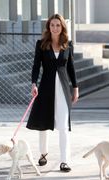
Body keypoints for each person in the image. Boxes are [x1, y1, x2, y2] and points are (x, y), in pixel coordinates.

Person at [26, 14, 79, 172]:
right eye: (52, 25)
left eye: (58, 25)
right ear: (48, 27)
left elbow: (71, 68)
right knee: (44, 123)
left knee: (63, 126)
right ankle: (43, 154)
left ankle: (64, 161)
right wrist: (33, 83)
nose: (55, 28)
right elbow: (36, 66)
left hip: (63, 89)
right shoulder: (41, 44)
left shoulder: (67, 45)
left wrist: (75, 87)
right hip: (45, 89)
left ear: (62, 27)